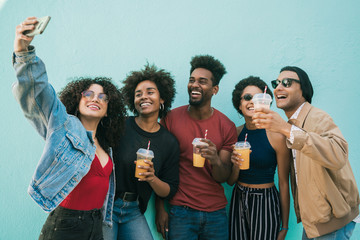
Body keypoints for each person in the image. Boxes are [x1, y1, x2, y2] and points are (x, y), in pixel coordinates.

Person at [12, 17, 126, 239]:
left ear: (107, 109)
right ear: (77, 99)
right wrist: (23, 52)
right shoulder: (64, 126)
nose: (96, 99)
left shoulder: (105, 143)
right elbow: (39, 93)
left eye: (103, 97)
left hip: (96, 225)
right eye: (89, 94)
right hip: (66, 225)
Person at [252, 66, 360, 239]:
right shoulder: (294, 123)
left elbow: (339, 155)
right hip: (316, 223)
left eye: (286, 83)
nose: (278, 87)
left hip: (334, 223)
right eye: (276, 83)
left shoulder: (317, 117)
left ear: (304, 89)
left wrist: (284, 128)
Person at [155, 55, 237, 239]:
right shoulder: (170, 119)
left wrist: (215, 159)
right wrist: (160, 209)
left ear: (214, 89)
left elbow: (222, 177)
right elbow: (160, 167)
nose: (194, 85)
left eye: (202, 81)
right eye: (192, 80)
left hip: (215, 213)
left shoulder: (226, 126)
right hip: (181, 211)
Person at [102, 64, 180, 240]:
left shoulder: (169, 142)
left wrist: (152, 178)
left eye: (150, 92)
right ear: (133, 101)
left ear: (162, 99)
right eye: (138, 94)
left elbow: (169, 190)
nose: (143, 97)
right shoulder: (119, 125)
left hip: (134, 210)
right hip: (107, 205)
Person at [227, 76, 291, 240]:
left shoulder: (277, 136)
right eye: (247, 98)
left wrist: (284, 225)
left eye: (257, 98)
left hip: (265, 201)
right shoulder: (235, 133)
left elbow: (284, 183)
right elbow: (231, 180)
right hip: (239, 197)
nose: (251, 102)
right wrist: (235, 165)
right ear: (239, 104)